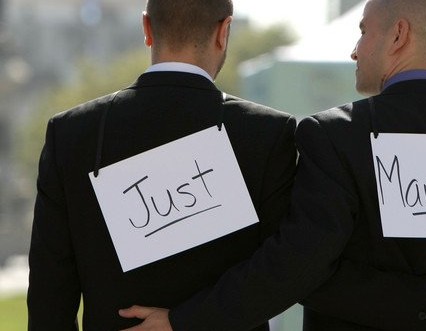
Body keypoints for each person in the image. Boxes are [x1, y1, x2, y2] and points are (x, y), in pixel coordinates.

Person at [121, 0, 426, 330]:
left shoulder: (334, 137)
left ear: (397, 36)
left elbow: (300, 272)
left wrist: (184, 322)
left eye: (362, 31)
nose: (355, 50)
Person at [26, 0, 298, 330]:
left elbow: (48, 294)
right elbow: (281, 273)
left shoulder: (72, 133)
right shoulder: (267, 134)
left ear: (147, 29)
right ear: (224, 31)